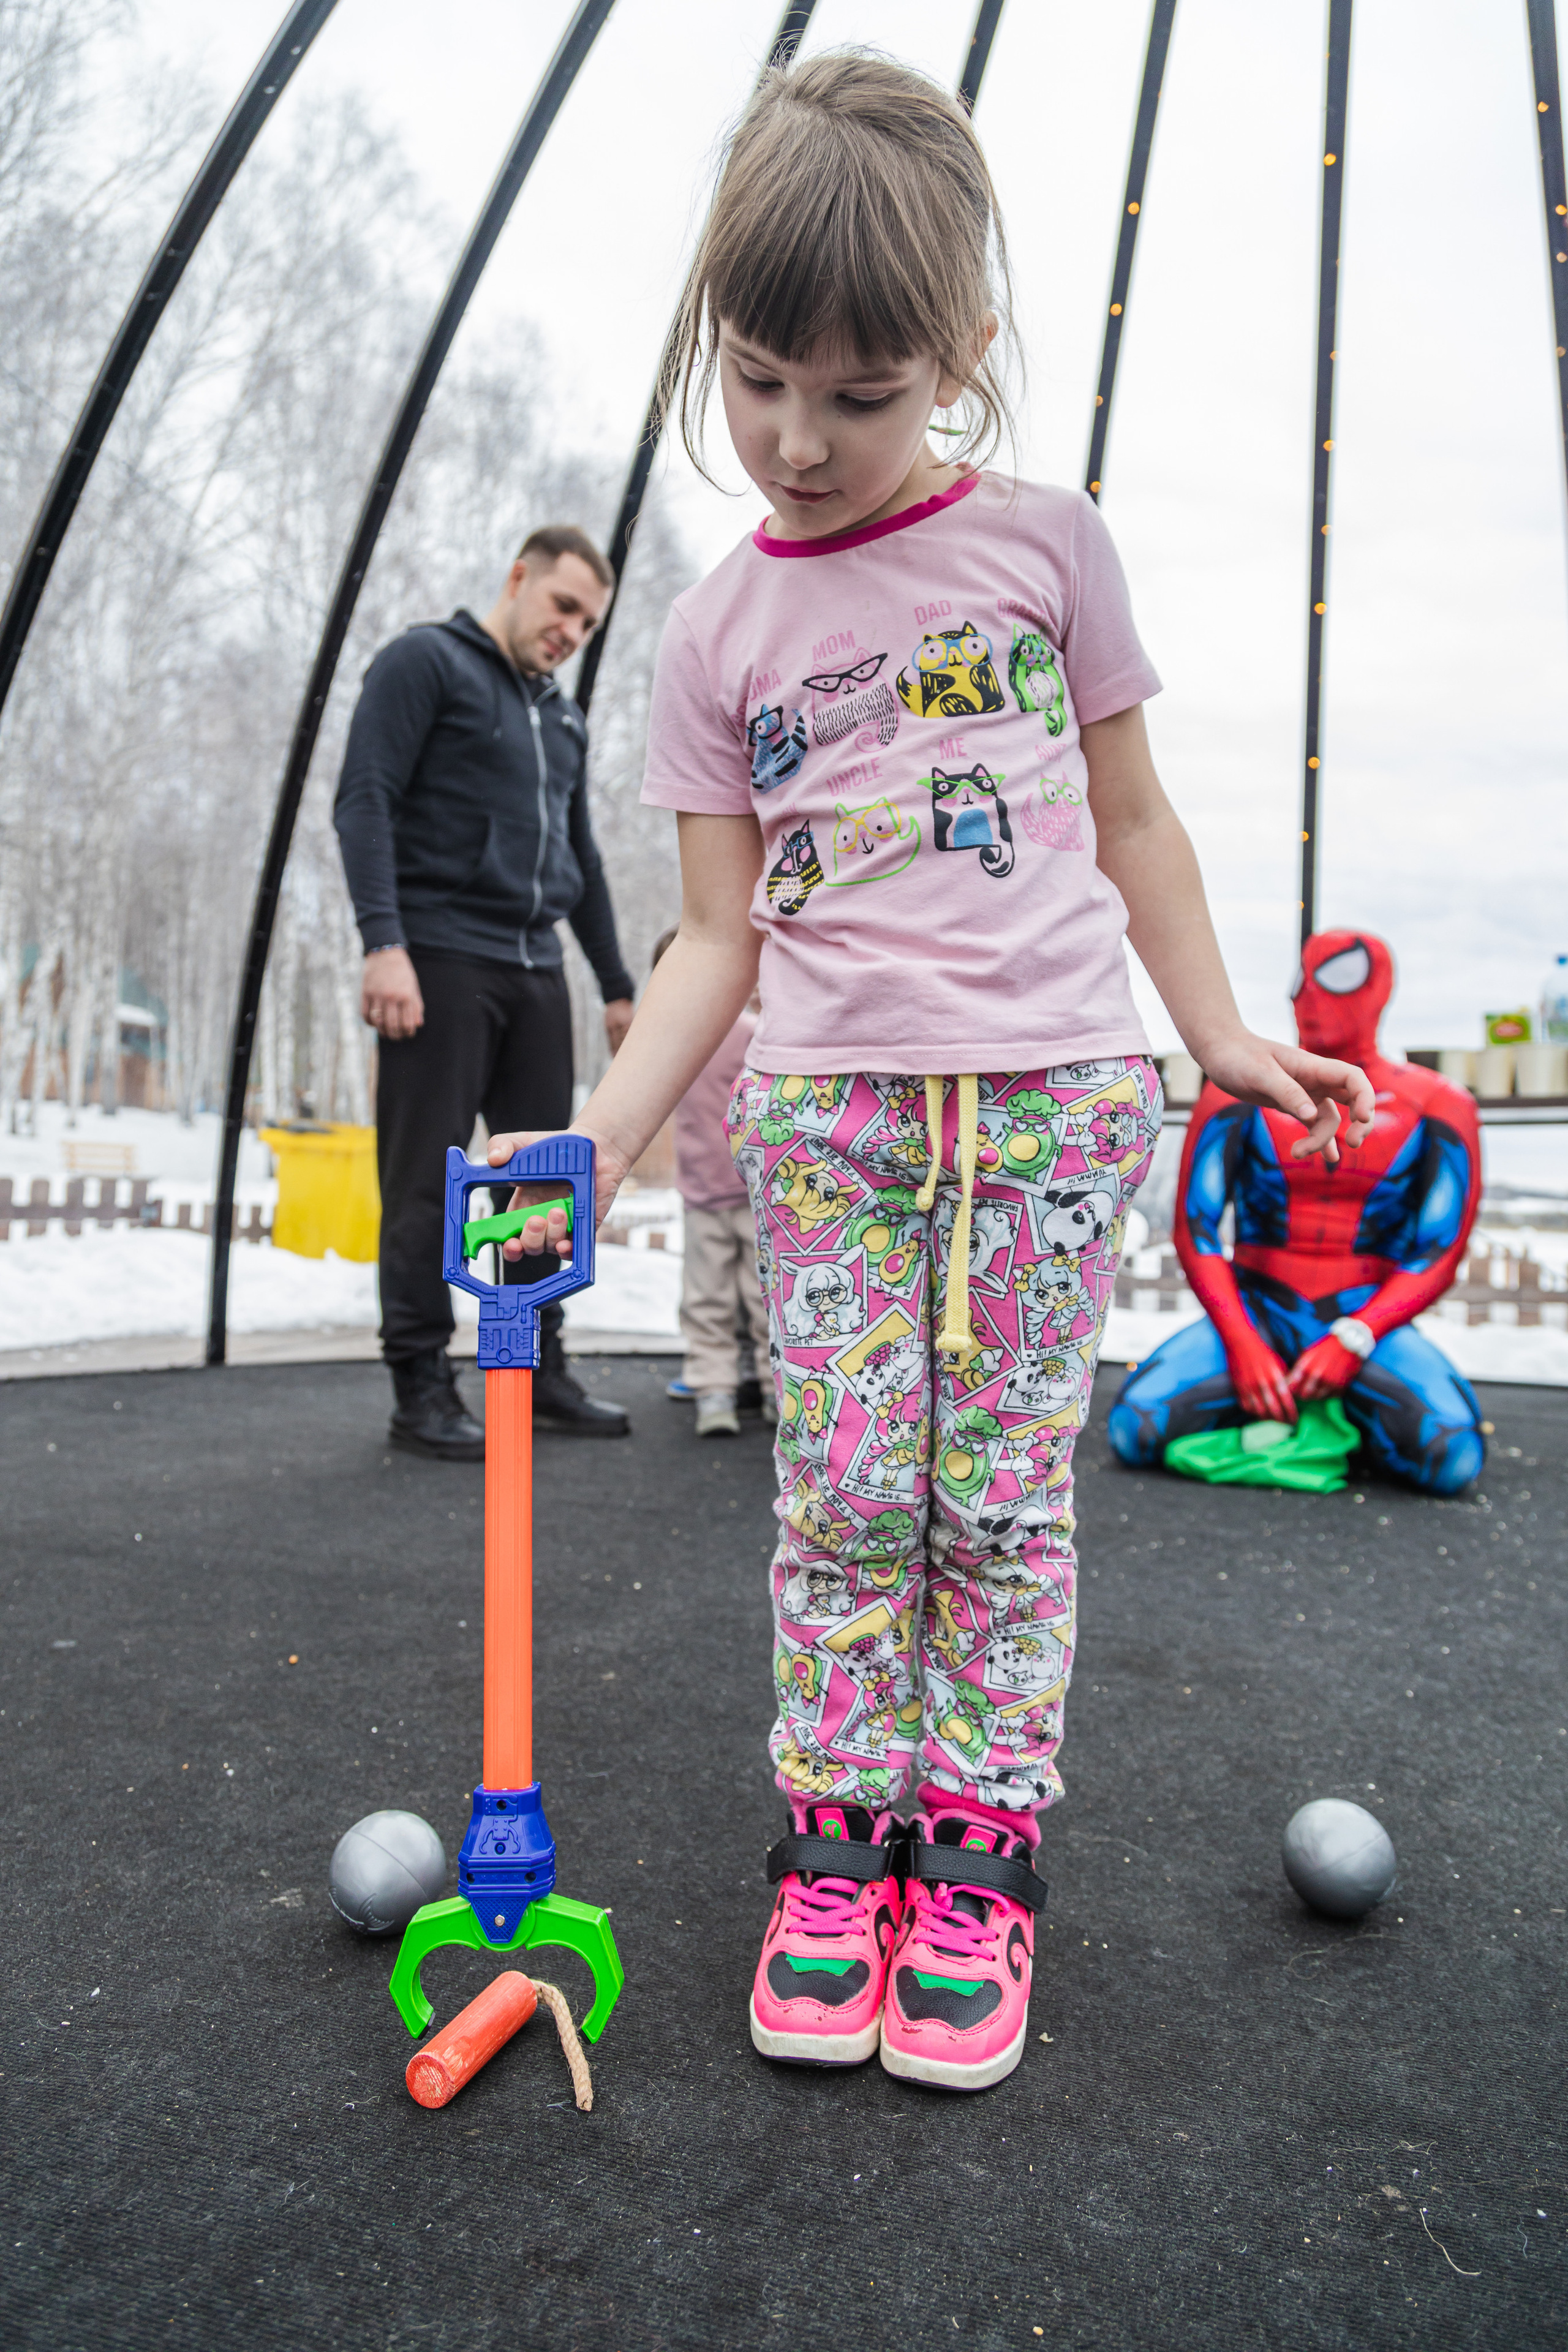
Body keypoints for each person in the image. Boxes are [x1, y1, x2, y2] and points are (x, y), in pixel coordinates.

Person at [486, 54, 1373, 2090]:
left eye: (859, 395)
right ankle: (836, 1847)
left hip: (1057, 1101)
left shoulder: (1052, 557)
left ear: (959, 362)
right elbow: (716, 937)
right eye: (756, 376)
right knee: (843, 1491)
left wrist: (1220, 1026)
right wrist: (600, 1139)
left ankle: (974, 1860)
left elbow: (1134, 823)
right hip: (833, 1120)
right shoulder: (714, 637)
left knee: (997, 1495)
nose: (795, 441)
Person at [334, 525, 636, 1458]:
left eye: (589, 622)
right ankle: (419, 1385)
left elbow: (579, 858)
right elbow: (365, 798)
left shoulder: (565, 719)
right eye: (563, 607)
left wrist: (619, 986)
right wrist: (384, 943)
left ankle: (536, 1365)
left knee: (542, 1180)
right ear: (519, 578)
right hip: (440, 957)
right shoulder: (426, 662)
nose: (573, 631)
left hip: (536, 968)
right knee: (424, 1178)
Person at [1108, 930, 1485, 1493]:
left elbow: (1439, 1248)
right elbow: (1197, 1230)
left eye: (1335, 978)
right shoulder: (1236, 1094)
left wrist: (1355, 1338)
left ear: (1378, 990)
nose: (1307, 997)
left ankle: (1317, 1418)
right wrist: (1243, 1342)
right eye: (1301, 981)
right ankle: (1309, 1415)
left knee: (1450, 1456)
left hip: (1367, 1321)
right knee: (1134, 1429)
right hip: (1260, 1307)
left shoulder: (1437, 1106)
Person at [650, 925, 772, 1438]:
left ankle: (766, 1390)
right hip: (708, 1192)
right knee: (717, 1298)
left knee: (757, 1297)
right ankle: (718, 1390)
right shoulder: (667, 1036)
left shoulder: (743, 1031)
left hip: (748, 1190)